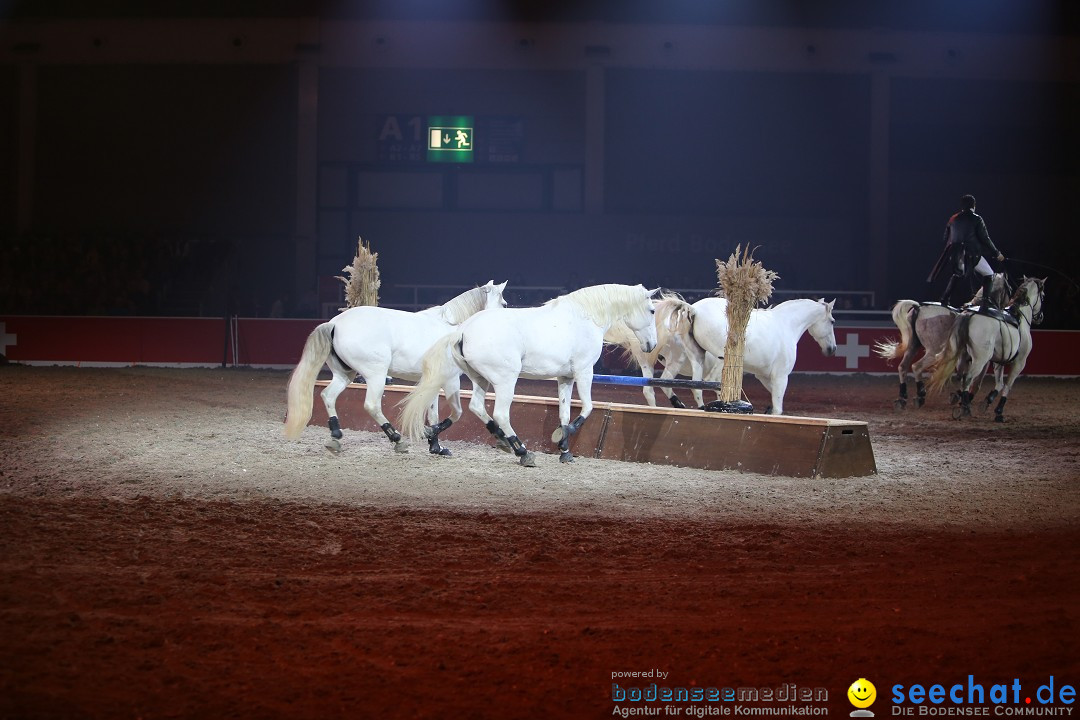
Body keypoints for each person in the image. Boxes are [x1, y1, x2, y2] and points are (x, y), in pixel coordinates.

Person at [935, 194, 1006, 312]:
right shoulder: (977, 218)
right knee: (989, 274)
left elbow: (945, 238)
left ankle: (944, 298)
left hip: (956, 255)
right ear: (974, 205)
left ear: (962, 206)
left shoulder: (953, 219)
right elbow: (985, 238)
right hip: (972, 255)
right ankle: (985, 303)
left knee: (957, 274)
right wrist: (997, 253)